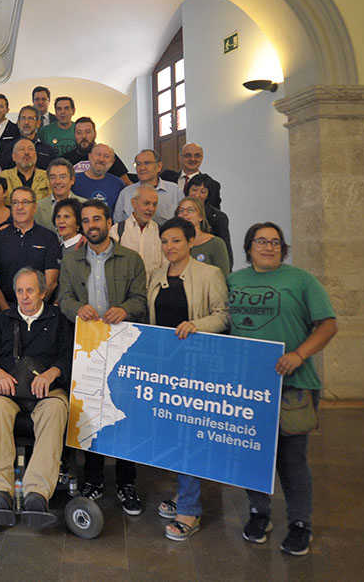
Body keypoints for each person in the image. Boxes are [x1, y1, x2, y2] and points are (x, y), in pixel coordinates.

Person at [229, 222, 336, 556]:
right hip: (247, 387)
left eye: (275, 242)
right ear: (249, 248)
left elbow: (328, 324)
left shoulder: (301, 280)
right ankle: (260, 513)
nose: (269, 246)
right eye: (261, 241)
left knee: (292, 459)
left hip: (292, 384)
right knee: (252, 455)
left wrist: (299, 354)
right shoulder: (234, 281)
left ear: (283, 248)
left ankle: (300, 523)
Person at [57, 200, 147, 515]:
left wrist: (126, 310)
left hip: (122, 347)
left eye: (97, 218)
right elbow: (63, 297)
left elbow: (141, 299)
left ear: (109, 221)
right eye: (86, 220)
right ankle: (93, 479)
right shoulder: (70, 260)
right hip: (87, 347)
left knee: (123, 412)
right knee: (91, 413)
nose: (92, 224)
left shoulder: (131, 259)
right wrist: (75, 309)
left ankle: (126, 482)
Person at [146, 217, 229, 542]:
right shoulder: (156, 276)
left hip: (197, 367)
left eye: (176, 241)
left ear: (190, 242)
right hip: (165, 365)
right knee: (171, 434)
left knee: (190, 435)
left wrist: (197, 325)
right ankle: (184, 493)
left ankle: (190, 510)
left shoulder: (210, 274)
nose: (170, 247)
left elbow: (224, 315)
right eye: (165, 241)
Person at [0, 268, 72, 526]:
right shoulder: (4, 320)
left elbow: (70, 356)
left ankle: (37, 493)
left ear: (43, 292)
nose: (24, 296)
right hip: (8, 391)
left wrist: (53, 372)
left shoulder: (58, 320)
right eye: (19, 291)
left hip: (46, 392)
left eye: (30, 290)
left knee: (56, 411)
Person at [0, 186, 61, 311]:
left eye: (25, 202)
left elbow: (51, 282)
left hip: (39, 311)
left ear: (34, 207)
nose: (20, 207)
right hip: (6, 311)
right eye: (15, 202)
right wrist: (7, 311)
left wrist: (33, 309)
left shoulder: (49, 237)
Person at [110, 185, 165, 278]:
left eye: (154, 204)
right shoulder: (116, 230)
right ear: (133, 203)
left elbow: (165, 266)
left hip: (152, 290)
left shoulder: (160, 232)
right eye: (146, 203)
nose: (151, 208)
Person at [114, 149, 181, 224]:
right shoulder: (126, 193)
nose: (142, 168)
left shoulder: (174, 191)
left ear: (159, 166)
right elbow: (118, 223)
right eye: (138, 164)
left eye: (147, 163)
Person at [176, 197, 231, 276]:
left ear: (200, 216)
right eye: (181, 211)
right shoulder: (174, 243)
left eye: (190, 210)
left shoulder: (216, 243)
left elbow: (223, 277)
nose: (185, 213)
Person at [186, 174, 232, 263]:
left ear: (208, 195)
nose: (197, 195)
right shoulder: (181, 213)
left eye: (203, 192)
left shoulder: (218, 217)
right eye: (194, 190)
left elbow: (227, 251)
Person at [161, 142, 222, 209]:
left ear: (202, 158)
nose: (192, 159)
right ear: (180, 157)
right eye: (188, 155)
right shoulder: (166, 178)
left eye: (197, 156)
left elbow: (214, 214)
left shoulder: (213, 185)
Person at [73, 144, 126, 212]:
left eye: (106, 156)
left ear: (112, 162)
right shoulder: (73, 181)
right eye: (98, 154)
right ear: (89, 156)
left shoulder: (118, 184)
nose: (101, 159)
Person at [35, 157, 81, 231]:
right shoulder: (38, 207)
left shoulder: (83, 205)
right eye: (53, 177)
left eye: (62, 177)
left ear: (72, 180)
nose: (58, 181)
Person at [13, 105, 56, 170]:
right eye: (23, 118)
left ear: (38, 123)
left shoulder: (48, 151)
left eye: (30, 118)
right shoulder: (9, 148)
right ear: (18, 123)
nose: (26, 122)